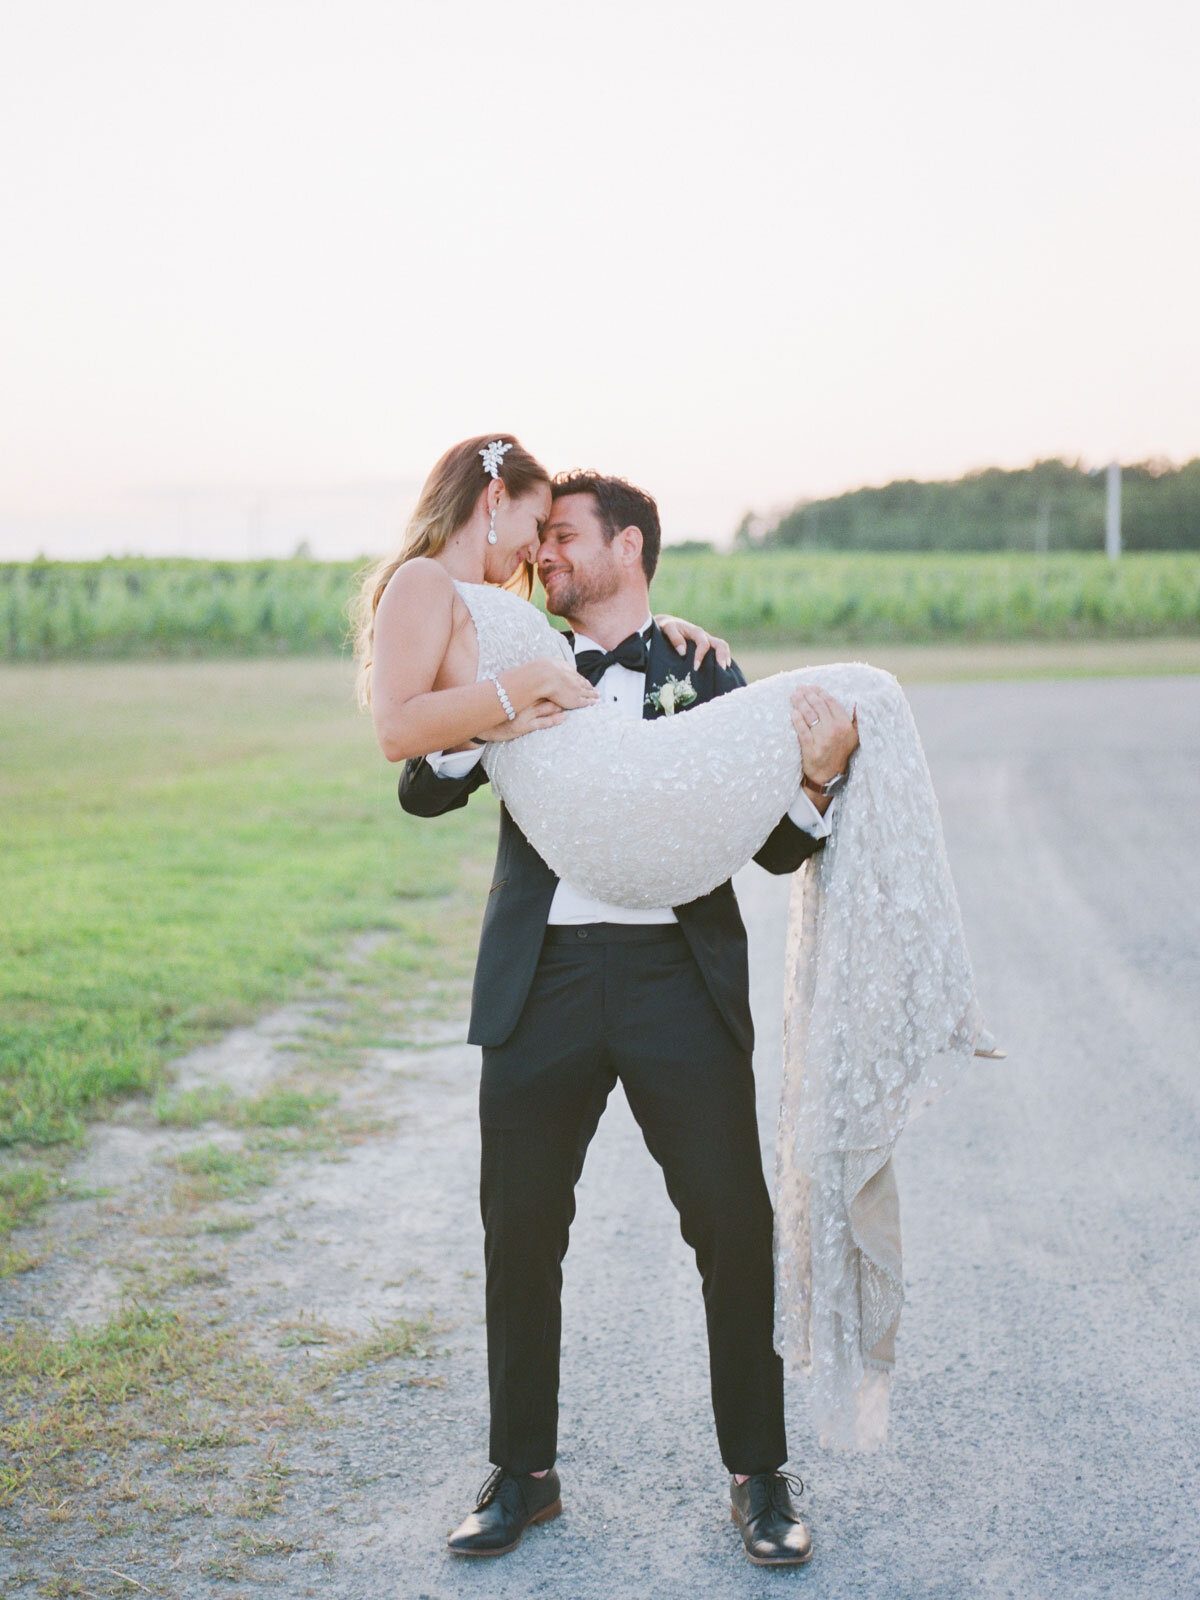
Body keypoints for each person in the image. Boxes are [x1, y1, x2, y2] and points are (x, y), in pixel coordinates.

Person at [353, 434, 996, 1562]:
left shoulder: (705, 671)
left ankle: (760, 1476)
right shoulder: (500, 643)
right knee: (520, 1230)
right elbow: (419, 785)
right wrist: (491, 716)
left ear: (628, 547)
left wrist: (824, 773)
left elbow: (781, 855)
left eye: (565, 535)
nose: (544, 553)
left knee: (732, 1229)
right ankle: (521, 1473)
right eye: (538, 531)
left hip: (675, 981)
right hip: (542, 975)